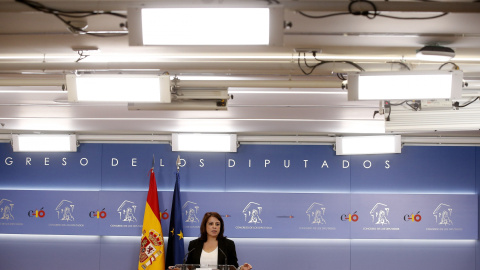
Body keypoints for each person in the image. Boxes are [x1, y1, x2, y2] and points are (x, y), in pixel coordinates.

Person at [184, 212, 252, 270]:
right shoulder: (194, 245)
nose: (214, 227)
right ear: (205, 226)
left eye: (217, 224)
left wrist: (241, 268)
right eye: (211, 224)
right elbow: (188, 267)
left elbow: (234, 267)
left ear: (220, 226)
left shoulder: (228, 244)